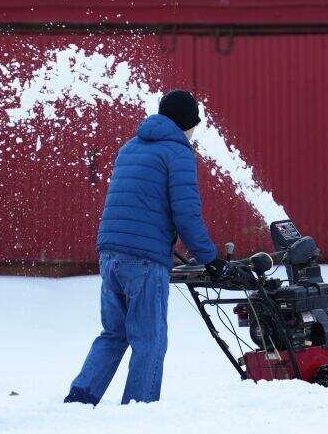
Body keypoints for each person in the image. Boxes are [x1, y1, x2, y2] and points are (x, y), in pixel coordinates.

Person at [64, 90, 231, 406]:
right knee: (149, 339)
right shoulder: (177, 153)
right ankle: (138, 412)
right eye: (194, 124)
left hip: (111, 253)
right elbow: (186, 214)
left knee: (113, 333)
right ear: (185, 122)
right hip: (143, 261)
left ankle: (80, 399)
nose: (195, 131)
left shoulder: (130, 147)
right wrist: (212, 260)